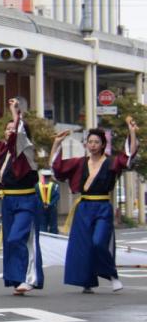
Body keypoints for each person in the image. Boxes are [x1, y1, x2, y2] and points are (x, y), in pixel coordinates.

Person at [51, 121, 138, 293]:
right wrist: (57, 143)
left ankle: (112, 275)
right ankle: (87, 281)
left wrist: (132, 132)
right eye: (90, 142)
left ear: (103, 144)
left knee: (98, 242)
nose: (92, 145)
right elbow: (57, 168)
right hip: (84, 208)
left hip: (102, 207)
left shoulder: (111, 162)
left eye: (96, 142)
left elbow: (128, 158)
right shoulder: (79, 163)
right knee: (83, 246)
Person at [0, 99, 44, 294]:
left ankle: (29, 278)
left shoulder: (27, 150)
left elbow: (20, 136)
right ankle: (16, 279)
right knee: (10, 240)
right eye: (8, 129)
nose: (10, 131)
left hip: (26, 199)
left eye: (14, 128)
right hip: (8, 200)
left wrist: (14, 111)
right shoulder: (4, 151)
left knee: (20, 237)